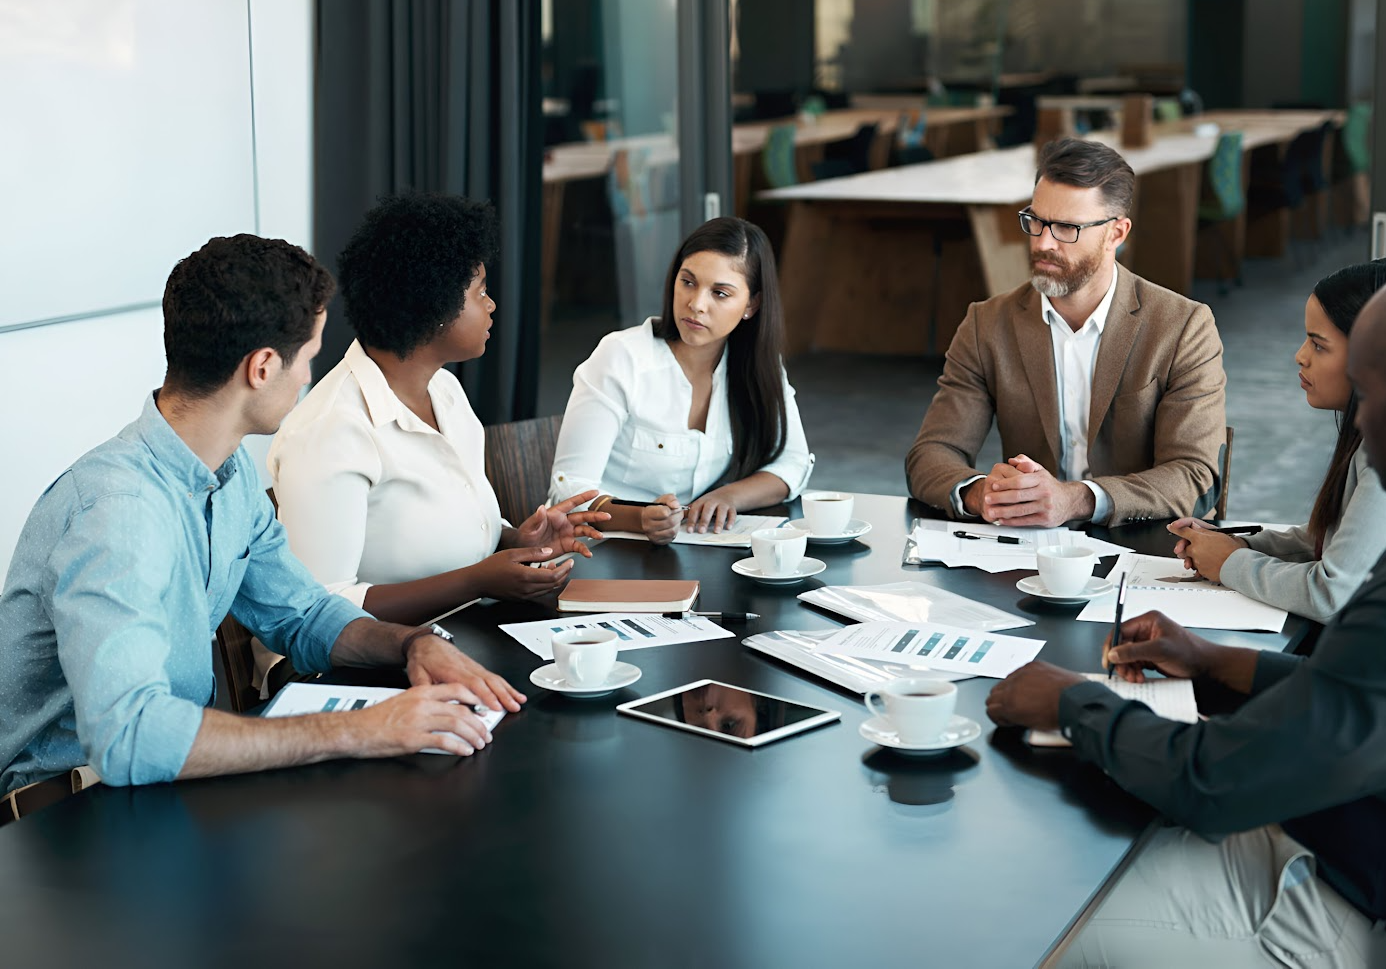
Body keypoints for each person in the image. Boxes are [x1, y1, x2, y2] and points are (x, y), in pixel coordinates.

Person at [986, 271, 1386, 967]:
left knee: (1021, 920)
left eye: (1367, 396)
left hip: (1326, 905)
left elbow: (1210, 785)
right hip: (1364, 834)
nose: (1359, 425)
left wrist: (1069, 700)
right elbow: (1367, 695)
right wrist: (1215, 661)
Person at [0, 235, 526, 804]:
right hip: (67, 814)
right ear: (263, 367)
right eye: (308, 356)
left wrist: (410, 645)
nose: (308, 377)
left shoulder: (227, 474)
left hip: (159, 784)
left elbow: (302, 614)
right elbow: (129, 736)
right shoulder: (117, 513)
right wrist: (360, 729)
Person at [268, 193, 604, 626]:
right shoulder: (331, 430)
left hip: (459, 634)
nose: (491, 304)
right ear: (434, 307)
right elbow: (318, 610)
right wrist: (475, 582)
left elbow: (450, 528)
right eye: (480, 292)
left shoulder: (444, 390)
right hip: (357, 673)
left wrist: (516, 540)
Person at [905, 138, 1226, 527]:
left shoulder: (1183, 327)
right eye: (1036, 221)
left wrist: (1075, 499)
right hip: (1026, 553)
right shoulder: (987, 324)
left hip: (1143, 545)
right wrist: (980, 492)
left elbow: (1195, 476)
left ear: (1116, 234)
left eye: (1066, 228)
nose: (1042, 242)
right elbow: (931, 454)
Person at [1167, 258, 1386, 622]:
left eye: (1318, 345)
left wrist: (1228, 563)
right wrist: (1238, 544)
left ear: (1374, 356)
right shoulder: (1376, 432)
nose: (1300, 356)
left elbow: (1331, 592)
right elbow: (1321, 541)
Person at [548, 217, 813, 544]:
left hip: (695, 550)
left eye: (720, 293)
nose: (696, 304)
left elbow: (794, 461)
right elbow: (568, 486)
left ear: (751, 304)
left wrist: (729, 496)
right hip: (598, 549)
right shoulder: (621, 357)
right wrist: (640, 518)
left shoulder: (758, 366)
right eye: (688, 282)